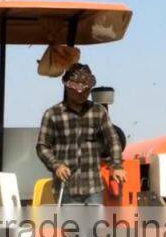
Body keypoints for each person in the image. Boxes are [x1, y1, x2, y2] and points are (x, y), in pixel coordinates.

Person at [36, 63, 126, 205]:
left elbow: (113, 140)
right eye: (76, 90)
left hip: (93, 187)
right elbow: (42, 146)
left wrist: (117, 166)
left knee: (94, 227)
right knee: (74, 227)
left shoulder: (99, 112)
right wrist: (56, 165)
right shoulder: (52, 114)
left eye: (85, 90)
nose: (81, 93)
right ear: (67, 86)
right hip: (66, 188)